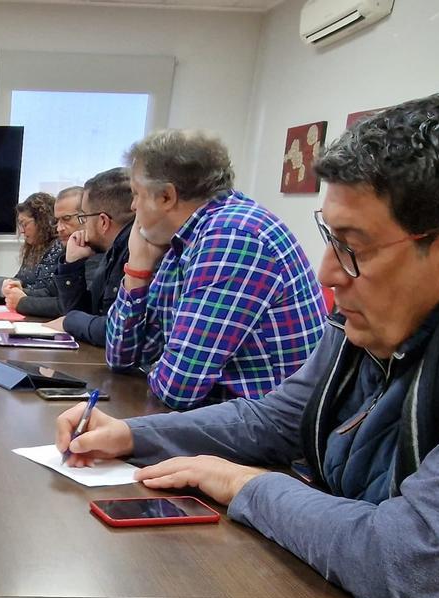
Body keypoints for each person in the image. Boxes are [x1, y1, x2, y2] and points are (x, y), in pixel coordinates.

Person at [56, 93, 439, 598]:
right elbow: (278, 418)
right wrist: (131, 435)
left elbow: (411, 561)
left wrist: (245, 484)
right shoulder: (376, 301)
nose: (327, 273)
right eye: (330, 236)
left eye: (351, 245)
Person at [106, 130, 325, 410]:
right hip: (223, 420)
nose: (133, 206)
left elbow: (178, 387)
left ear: (166, 197)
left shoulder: (232, 236)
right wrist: (137, 269)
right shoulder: (184, 240)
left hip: (270, 437)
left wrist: (157, 365)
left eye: (136, 194)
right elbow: (122, 358)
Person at [54, 168, 136, 346]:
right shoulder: (112, 251)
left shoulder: (136, 252)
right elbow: (86, 313)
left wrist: (70, 320)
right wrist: (72, 265)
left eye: (83, 217)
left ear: (103, 222)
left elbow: (116, 331)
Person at [4, 186, 90, 318]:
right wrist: (19, 288)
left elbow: (69, 307)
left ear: (86, 217)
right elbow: (51, 291)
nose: (59, 228)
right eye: (57, 221)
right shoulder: (68, 248)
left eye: (66, 219)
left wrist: (23, 301)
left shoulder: (95, 255)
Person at [0, 192, 63, 313]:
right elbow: (21, 277)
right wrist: (11, 284)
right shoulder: (33, 248)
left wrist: (20, 292)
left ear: (42, 222)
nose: (22, 231)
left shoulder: (59, 246)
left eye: (25, 224)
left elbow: (45, 290)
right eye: (20, 225)